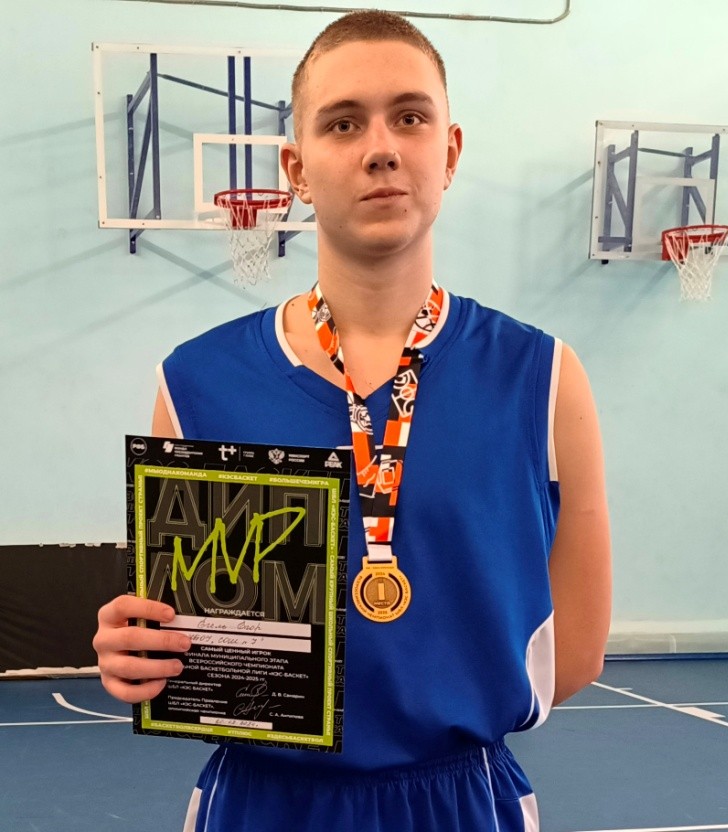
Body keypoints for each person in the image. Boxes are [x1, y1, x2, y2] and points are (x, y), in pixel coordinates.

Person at [94, 10, 611, 831]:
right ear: (296, 169)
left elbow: (574, 651)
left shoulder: (543, 377)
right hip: (261, 803)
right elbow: (181, 631)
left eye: (410, 117)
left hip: (460, 803)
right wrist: (136, 651)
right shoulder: (196, 383)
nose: (381, 148)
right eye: (342, 123)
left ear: (450, 151)